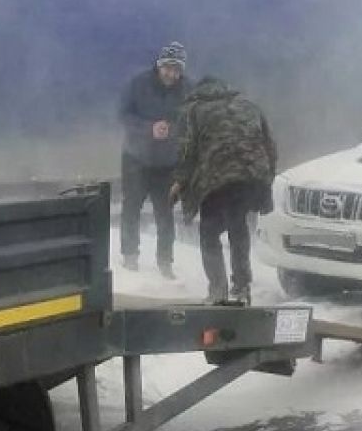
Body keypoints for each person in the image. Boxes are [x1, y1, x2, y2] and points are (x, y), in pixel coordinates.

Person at [171, 77, 277, 305]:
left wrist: (179, 182)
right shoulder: (249, 105)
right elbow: (270, 145)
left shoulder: (193, 110)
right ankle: (241, 288)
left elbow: (186, 150)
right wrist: (267, 178)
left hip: (216, 179)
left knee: (209, 234)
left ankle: (218, 290)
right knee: (238, 227)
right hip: (250, 176)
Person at [118, 42, 192, 278]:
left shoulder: (187, 90)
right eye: (168, 68)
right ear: (159, 65)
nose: (172, 74)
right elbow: (123, 115)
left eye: (177, 69)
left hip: (166, 163)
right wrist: (148, 128)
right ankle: (130, 255)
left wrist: (172, 128)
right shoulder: (138, 84)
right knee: (131, 208)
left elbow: (192, 122)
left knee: (165, 213)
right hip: (136, 159)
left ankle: (165, 262)